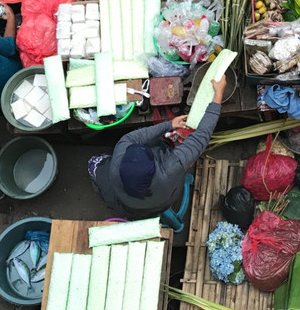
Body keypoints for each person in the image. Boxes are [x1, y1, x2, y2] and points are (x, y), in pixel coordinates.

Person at [91, 76, 225, 218]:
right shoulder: (169, 170)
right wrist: (218, 95)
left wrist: (169, 125)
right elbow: (200, 138)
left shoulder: (119, 158)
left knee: (95, 163)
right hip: (162, 203)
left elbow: (134, 138)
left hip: (129, 204)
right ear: (154, 166)